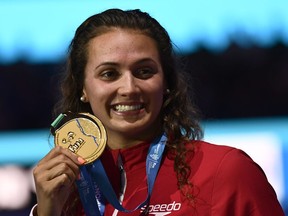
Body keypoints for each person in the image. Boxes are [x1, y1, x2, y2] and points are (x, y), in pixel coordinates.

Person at [31, 8, 284, 216]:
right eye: (109, 74)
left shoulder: (226, 172)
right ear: (83, 87)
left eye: (144, 71)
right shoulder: (67, 190)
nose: (129, 88)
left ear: (166, 83)